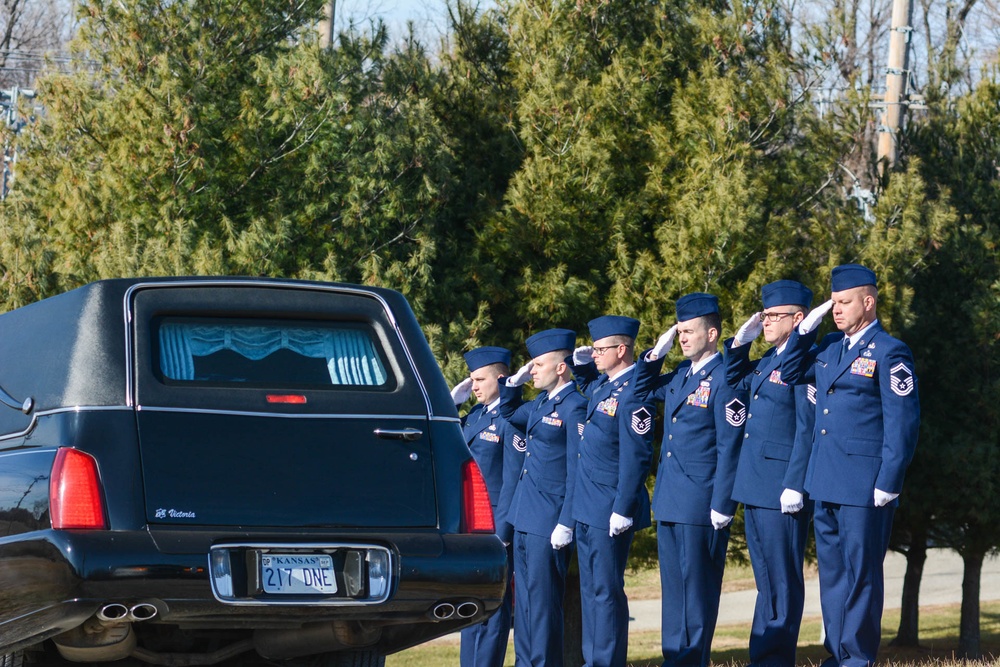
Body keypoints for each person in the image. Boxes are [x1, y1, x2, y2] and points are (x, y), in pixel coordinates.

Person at [785, 263, 920, 667]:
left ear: (869, 302)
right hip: (824, 480)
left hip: (865, 483)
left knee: (861, 574)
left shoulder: (889, 351)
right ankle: (838, 653)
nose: (837, 309)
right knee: (833, 575)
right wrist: (805, 330)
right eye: (834, 303)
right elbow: (791, 371)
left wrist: (890, 479)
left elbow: (903, 421)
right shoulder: (826, 347)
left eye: (843, 302)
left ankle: (857, 658)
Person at [632, 292, 746, 667]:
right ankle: (674, 658)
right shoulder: (681, 374)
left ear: (712, 334)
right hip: (669, 499)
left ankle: (691, 659)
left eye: (689, 331)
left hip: (701, 502)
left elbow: (730, 446)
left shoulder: (724, 378)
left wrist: (723, 503)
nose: (682, 339)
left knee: (697, 592)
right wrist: (654, 354)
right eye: (678, 332)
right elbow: (640, 390)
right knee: (675, 592)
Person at [722, 280, 817, 667]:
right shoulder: (765, 361)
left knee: (781, 577)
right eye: (763, 316)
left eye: (773, 316)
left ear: (798, 319)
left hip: (781, 487)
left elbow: (807, 428)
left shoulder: (802, 362)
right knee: (765, 578)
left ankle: (777, 657)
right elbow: (734, 380)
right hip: (755, 484)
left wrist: (795, 482)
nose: (765, 322)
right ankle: (764, 655)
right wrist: (739, 344)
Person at [566, 315, 655, 667]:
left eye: (601, 349)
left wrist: (624, 506)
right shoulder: (605, 385)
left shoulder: (635, 389)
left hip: (609, 506)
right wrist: (581, 363)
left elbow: (637, 455)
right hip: (588, 504)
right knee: (591, 593)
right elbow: (587, 381)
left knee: (605, 591)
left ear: (622, 349)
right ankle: (593, 660)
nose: (595, 354)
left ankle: (606, 662)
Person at [497, 328, 587, 667]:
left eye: (538, 364)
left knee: (545, 606)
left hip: (548, 520)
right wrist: (512, 383)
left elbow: (577, 470)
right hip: (523, 517)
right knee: (527, 607)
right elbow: (508, 413)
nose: (532, 370)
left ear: (561, 367)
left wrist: (567, 521)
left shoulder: (575, 406)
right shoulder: (539, 405)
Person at [450, 346, 526, 667]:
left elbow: (513, 479)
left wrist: (504, 532)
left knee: (494, 605)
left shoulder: (511, 417)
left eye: (480, 379)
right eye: (471, 381)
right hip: (470, 526)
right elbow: (447, 442)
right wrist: (451, 405)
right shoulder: (475, 417)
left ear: (501, 378)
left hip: (495, 526)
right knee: (470, 601)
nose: (475, 386)